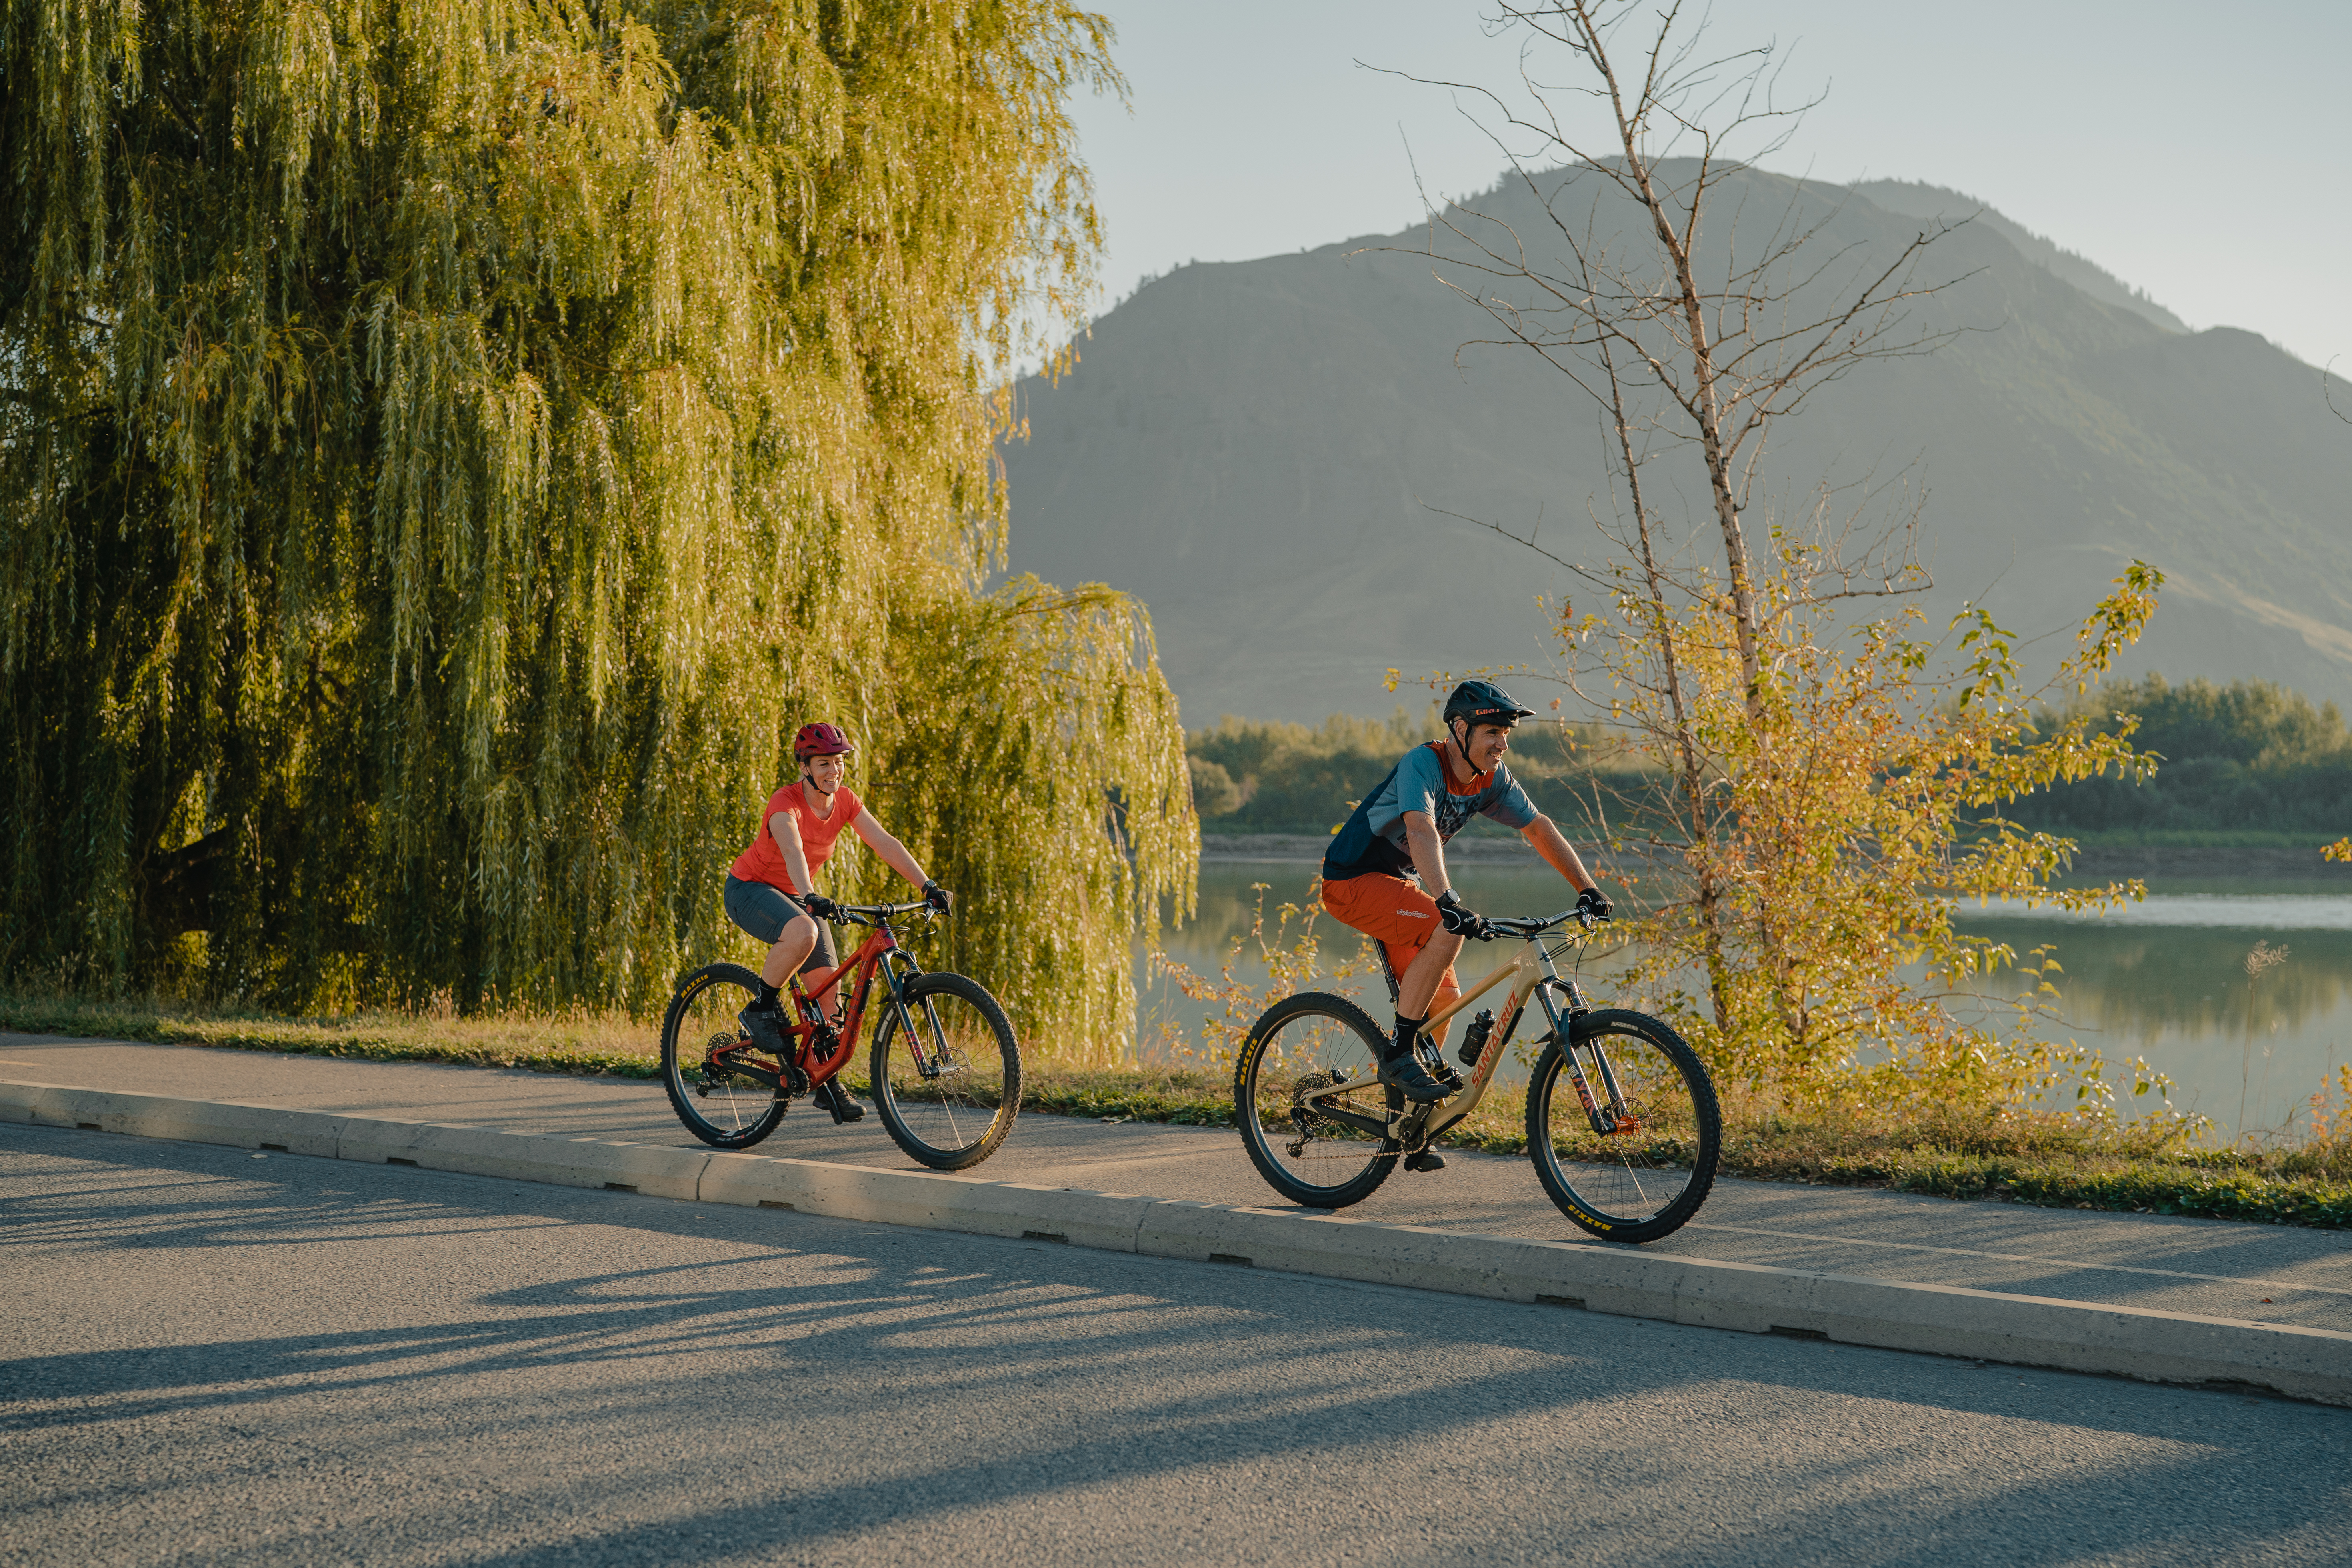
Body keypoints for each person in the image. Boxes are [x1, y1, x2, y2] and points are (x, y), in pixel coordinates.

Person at [1320, 679, 1611, 1168]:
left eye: (1507, 734)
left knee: (1446, 998)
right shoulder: (1424, 763)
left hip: (1402, 886)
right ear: (1460, 728)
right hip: (1353, 880)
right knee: (1446, 925)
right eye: (1493, 731)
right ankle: (1397, 1055)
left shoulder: (1492, 778)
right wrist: (1447, 899)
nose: (1503, 743)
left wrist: (1587, 887)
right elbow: (1420, 829)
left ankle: (1411, 1125)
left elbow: (1539, 827)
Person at [724, 722, 952, 1123]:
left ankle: (824, 1082)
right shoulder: (786, 803)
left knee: (830, 1002)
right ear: (805, 767)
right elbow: (793, 849)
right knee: (804, 930)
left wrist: (927, 885)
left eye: (839, 762)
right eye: (825, 763)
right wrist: (810, 895)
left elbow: (885, 842)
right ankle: (760, 1006)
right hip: (750, 888)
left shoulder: (844, 800)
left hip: (798, 894)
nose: (834, 770)